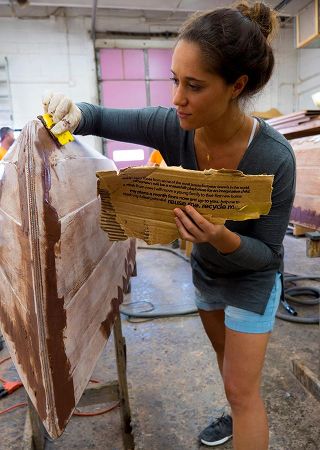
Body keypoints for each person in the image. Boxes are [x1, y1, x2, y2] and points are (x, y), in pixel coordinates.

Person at [42, 2, 295, 449]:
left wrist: (220, 235)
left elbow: (270, 255)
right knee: (226, 365)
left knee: (243, 390)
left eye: (194, 86)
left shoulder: (274, 157)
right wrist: (73, 111)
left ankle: (239, 411)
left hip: (252, 279)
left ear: (236, 86)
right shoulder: (174, 127)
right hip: (207, 274)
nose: (177, 97)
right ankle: (234, 415)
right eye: (175, 80)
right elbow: (99, 116)